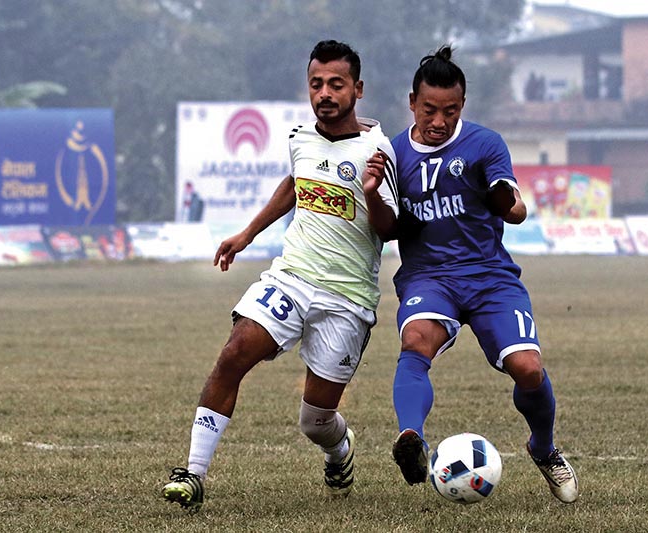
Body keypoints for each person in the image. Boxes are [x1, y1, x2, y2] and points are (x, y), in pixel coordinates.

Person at [161, 39, 399, 512]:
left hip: (347, 298)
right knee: (232, 355)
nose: (325, 93)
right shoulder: (299, 138)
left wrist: (371, 191)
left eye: (336, 84)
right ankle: (193, 473)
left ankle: (339, 449)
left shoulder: (379, 150)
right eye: (316, 84)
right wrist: (246, 234)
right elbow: (294, 183)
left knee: (315, 421)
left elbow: (389, 228)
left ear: (358, 89)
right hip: (291, 277)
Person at [388, 45, 578, 504]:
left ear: (463, 106)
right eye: (429, 110)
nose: (439, 121)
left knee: (528, 369)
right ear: (412, 102)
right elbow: (383, 221)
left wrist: (504, 202)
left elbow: (514, 205)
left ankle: (544, 448)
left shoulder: (484, 143)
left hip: (490, 276)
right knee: (416, 341)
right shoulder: (392, 153)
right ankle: (411, 438)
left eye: (450, 112)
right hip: (429, 277)